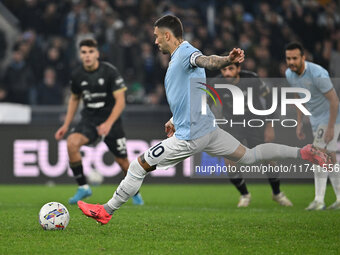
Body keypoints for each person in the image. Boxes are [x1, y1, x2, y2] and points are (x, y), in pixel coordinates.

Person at [78, 15, 330, 224]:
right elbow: (193, 90)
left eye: (157, 36)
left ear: (167, 35)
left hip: (190, 137)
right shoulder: (179, 58)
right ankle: (304, 153)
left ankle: (106, 211)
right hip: (209, 129)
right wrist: (174, 117)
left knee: (138, 166)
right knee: (250, 156)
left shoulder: (187, 52)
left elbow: (207, 60)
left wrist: (227, 60)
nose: (155, 41)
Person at [55, 38, 144, 205]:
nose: (87, 55)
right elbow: (74, 99)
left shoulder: (109, 72)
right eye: (84, 52)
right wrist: (66, 125)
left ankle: (135, 192)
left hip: (112, 122)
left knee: (123, 162)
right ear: (80, 55)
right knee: (71, 143)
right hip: (89, 121)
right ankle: (83, 187)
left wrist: (109, 123)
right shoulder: (77, 75)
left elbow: (121, 101)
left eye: (90, 52)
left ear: (97, 53)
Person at [214, 62, 292, 207]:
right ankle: (245, 195)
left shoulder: (252, 79)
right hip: (232, 125)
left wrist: (270, 125)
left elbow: (270, 100)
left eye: (231, 69)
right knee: (229, 163)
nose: (227, 73)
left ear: (238, 69)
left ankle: (277, 193)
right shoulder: (216, 82)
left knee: (269, 158)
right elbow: (204, 101)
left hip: (254, 122)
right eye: (224, 69)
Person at [285, 42, 340, 210]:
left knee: (318, 156)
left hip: (331, 118)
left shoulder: (318, 73)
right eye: (288, 58)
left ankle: (319, 200)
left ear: (303, 57)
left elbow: (334, 100)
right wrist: (299, 122)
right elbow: (298, 98)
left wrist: (331, 127)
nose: (291, 62)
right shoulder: (289, 74)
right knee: (329, 160)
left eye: (295, 58)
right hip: (316, 120)